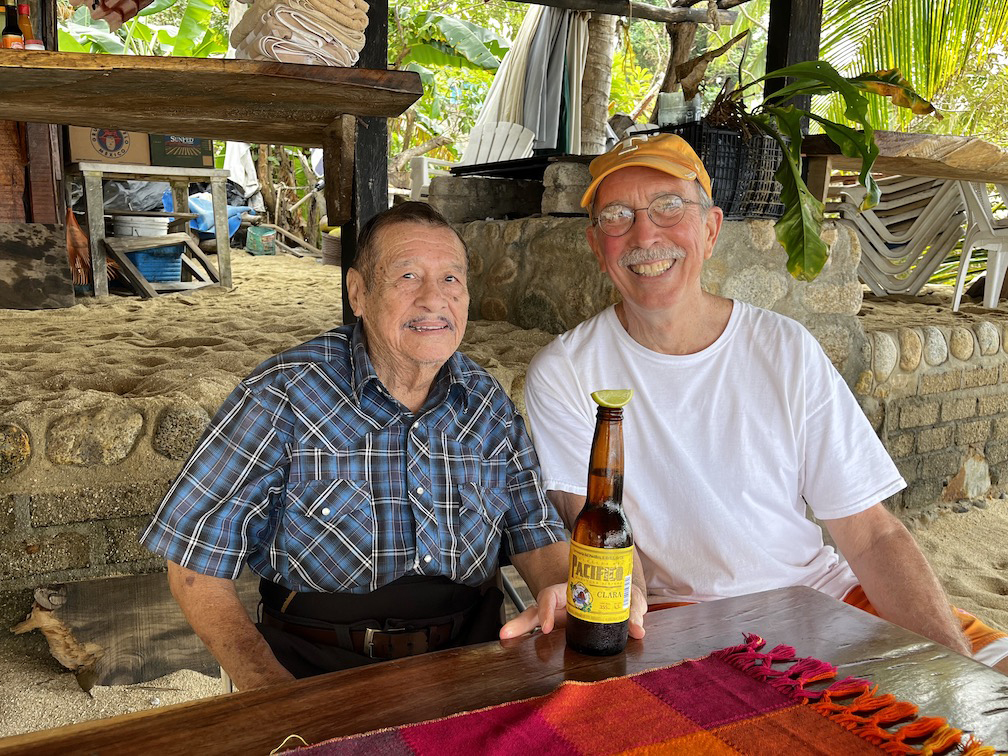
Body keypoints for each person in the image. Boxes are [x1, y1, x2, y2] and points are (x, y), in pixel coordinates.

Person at [523, 132, 1008, 674]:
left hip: (818, 594)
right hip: (681, 620)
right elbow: (601, 531)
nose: (644, 233)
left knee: (987, 673)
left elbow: (870, 536)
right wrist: (621, 603)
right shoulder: (564, 372)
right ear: (597, 246)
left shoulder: (784, 347)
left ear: (710, 230)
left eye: (669, 207)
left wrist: (953, 667)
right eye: (616, 216)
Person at [141, 202, 575, 690]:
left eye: (451, 280)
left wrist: (560, 594)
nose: (435, 299)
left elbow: (535, 532)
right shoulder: (283, 394)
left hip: (472, 654)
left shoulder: (486, 402)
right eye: (408, 276)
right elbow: (192, 562)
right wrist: (268, 689)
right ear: (358, 292)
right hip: (316, 662)